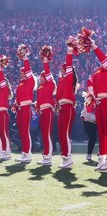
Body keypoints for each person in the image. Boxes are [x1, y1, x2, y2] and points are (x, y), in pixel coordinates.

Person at [55, 37, 78, 169]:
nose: (61, 70)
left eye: (63, 69)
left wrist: (69, 50)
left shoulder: (68, 78)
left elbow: (69, 63)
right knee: (60, 133)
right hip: (62, 108)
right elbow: (57, 96)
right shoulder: (62, 81)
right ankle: (65, 157)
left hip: (68, 107)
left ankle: (68, 158)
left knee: (64, 133)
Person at [14, 44, 36, 164]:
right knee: (21, 131)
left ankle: (28, 153)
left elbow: (27, 69)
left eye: (24, 73)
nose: (22, 74)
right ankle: (24, 152)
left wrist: (25, 58)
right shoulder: (20, 84)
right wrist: (15, 104)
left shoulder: (30, 81)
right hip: (20, 109)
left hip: (26, 107)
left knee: (25, 131)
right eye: (21, 73)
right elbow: (17, 97)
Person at [89, 38, 107, 171]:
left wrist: (94, 46)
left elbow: (102, 58)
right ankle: (102, 159)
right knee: (101, 133)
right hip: (99, 104)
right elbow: (92, 84)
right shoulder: (97, 71)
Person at [36, 50, 56, 166]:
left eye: (42, 76)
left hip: (48, 111)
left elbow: (48, 73)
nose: (41, 78)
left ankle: (48, 156)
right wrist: (36, 105)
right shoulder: (40, 87)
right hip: (42, 111)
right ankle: (46, 155)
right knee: (43, 133)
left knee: (47, 133)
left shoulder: (50, 84)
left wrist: (45, 62)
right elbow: (39, 100)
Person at [81, 76, 97, 161]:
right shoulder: (90, 97)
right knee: (92, 137)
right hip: (88, 120)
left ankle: (102, 151)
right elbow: (88, 114)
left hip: (95, 120)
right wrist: (99, 118)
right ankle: (89, 154)